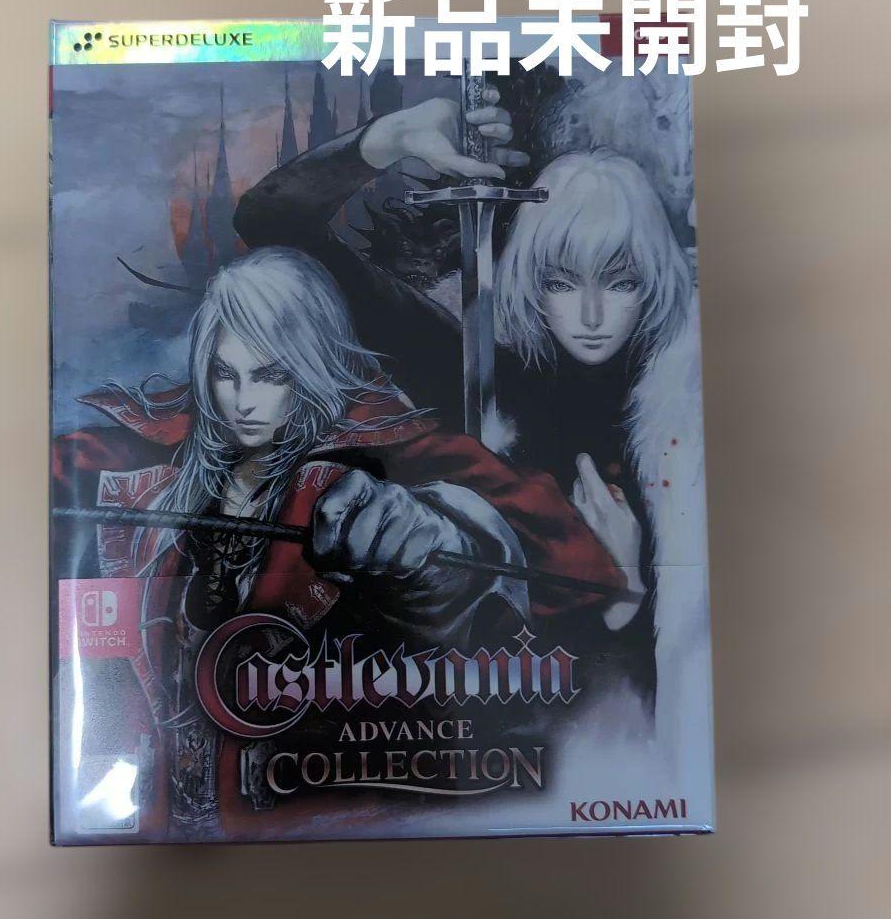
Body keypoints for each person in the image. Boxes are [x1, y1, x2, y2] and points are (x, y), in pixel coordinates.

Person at [53, 246, 624, 840]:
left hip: (311, 805)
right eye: (226, 374)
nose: (243, 401)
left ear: (311, 365)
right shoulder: (164, 466)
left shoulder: (382, 456)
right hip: (160, 805)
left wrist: (430, 534)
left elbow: (536, 547)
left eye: (271, 375)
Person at [233, 90, 705, 729]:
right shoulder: (471, 369)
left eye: (620, 281)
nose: (592, 315)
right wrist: (392, 139)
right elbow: (271, 221)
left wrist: (623, 599)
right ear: (530, 279)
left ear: (655, 280)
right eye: (561, 281)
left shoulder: (682, 408)